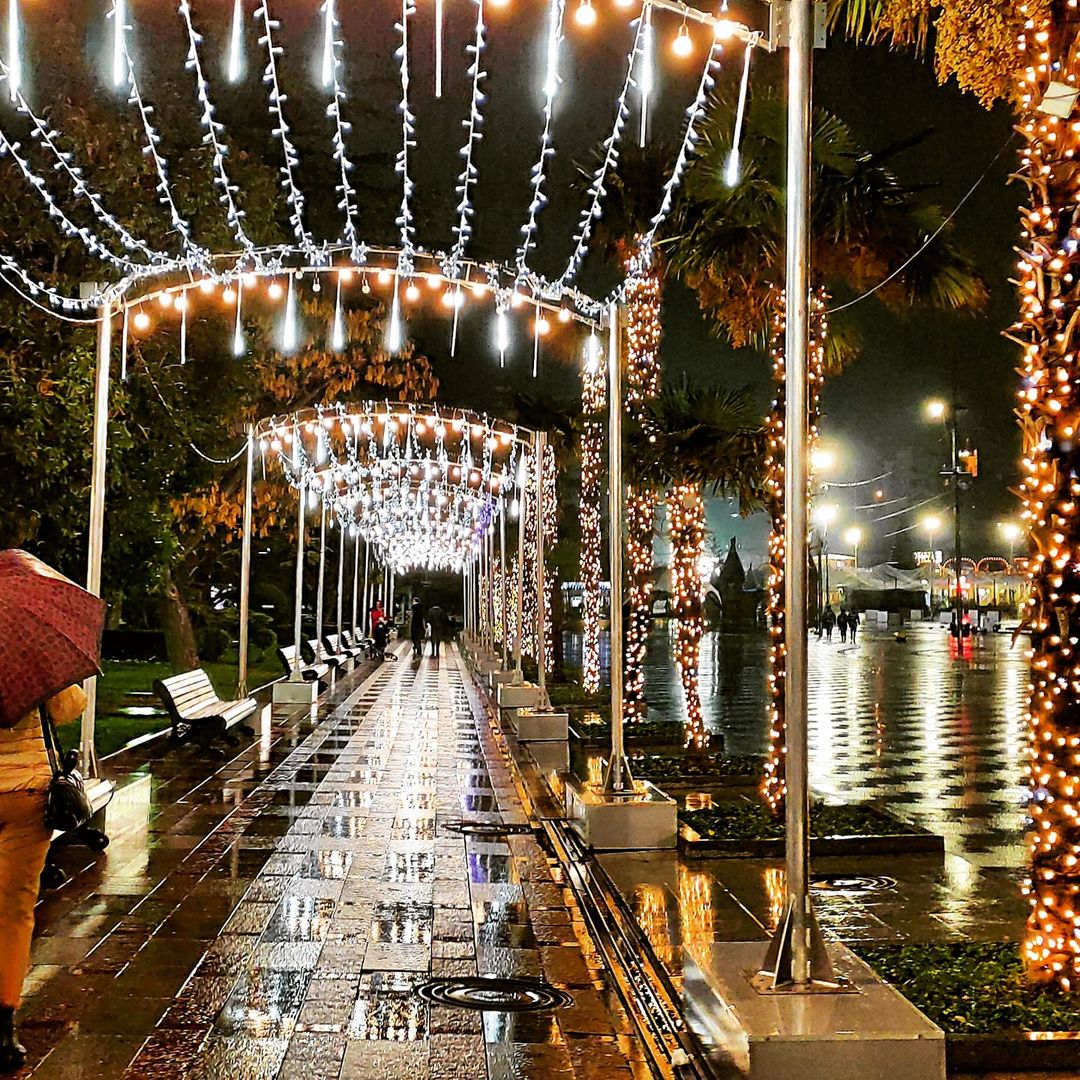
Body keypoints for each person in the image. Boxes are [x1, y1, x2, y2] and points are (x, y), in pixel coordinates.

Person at [0, 683, 86, 1072]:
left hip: (25, 793)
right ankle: (3, 1026)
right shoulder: (30, 663)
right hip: (26, 794)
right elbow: (70, 707)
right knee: (15, 909)